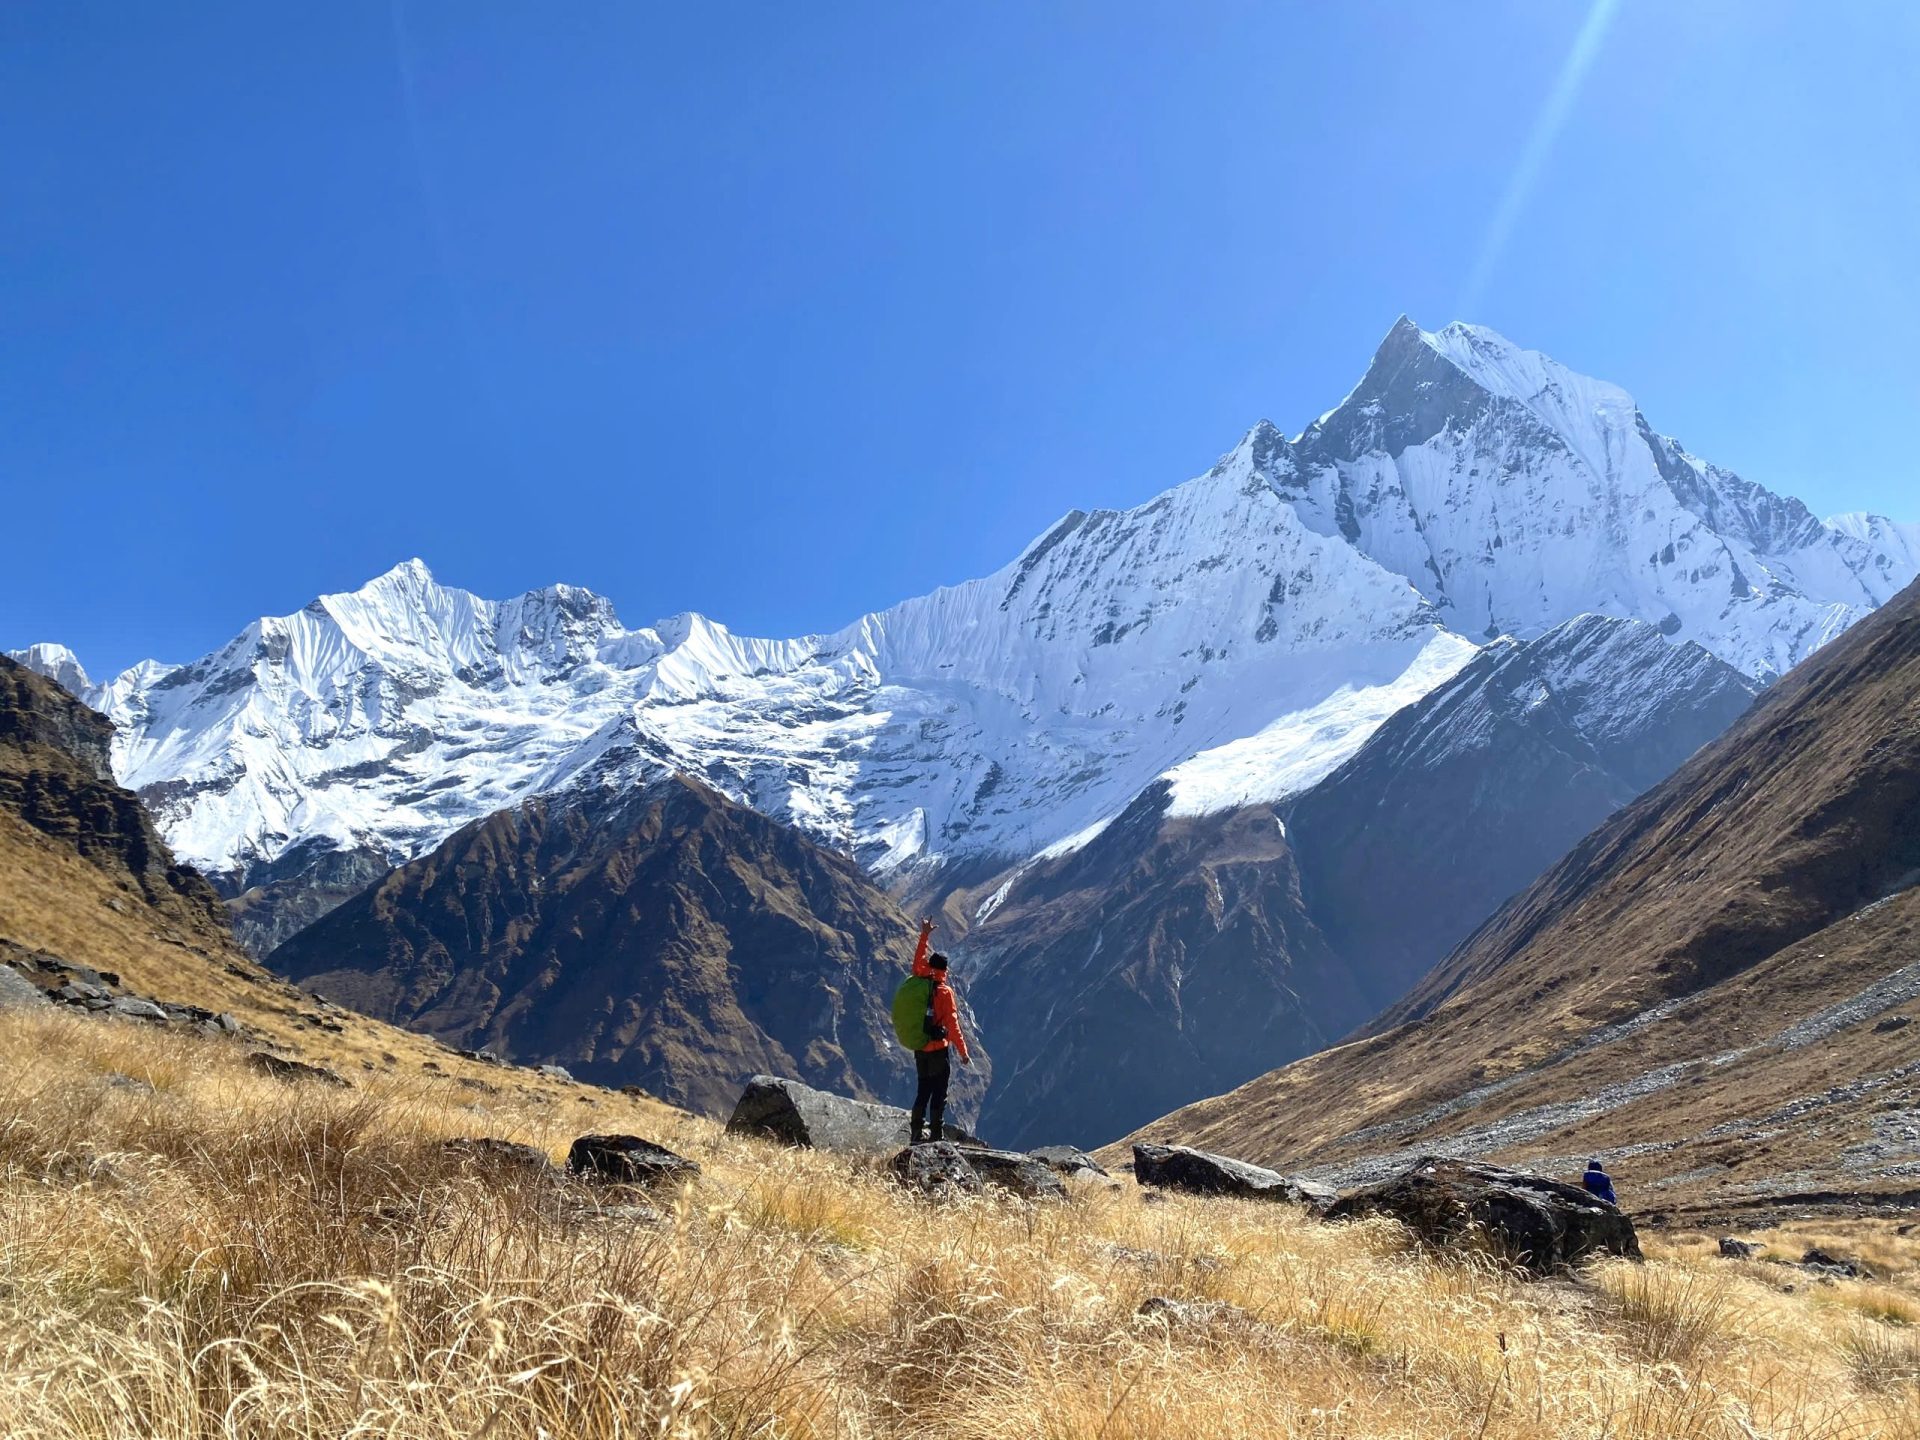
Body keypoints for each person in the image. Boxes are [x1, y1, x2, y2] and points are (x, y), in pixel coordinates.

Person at [907, 919, 971, 1144]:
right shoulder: (945, 993)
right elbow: (953, 1024)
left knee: (922, 1090)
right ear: (944, 970)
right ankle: (936, 1136)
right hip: (938, 1051)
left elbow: (917, 961)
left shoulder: (919, 979)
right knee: (939, 1093)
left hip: (920, 1046)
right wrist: (963, 1052)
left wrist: (924, 935)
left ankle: (915, 1134)